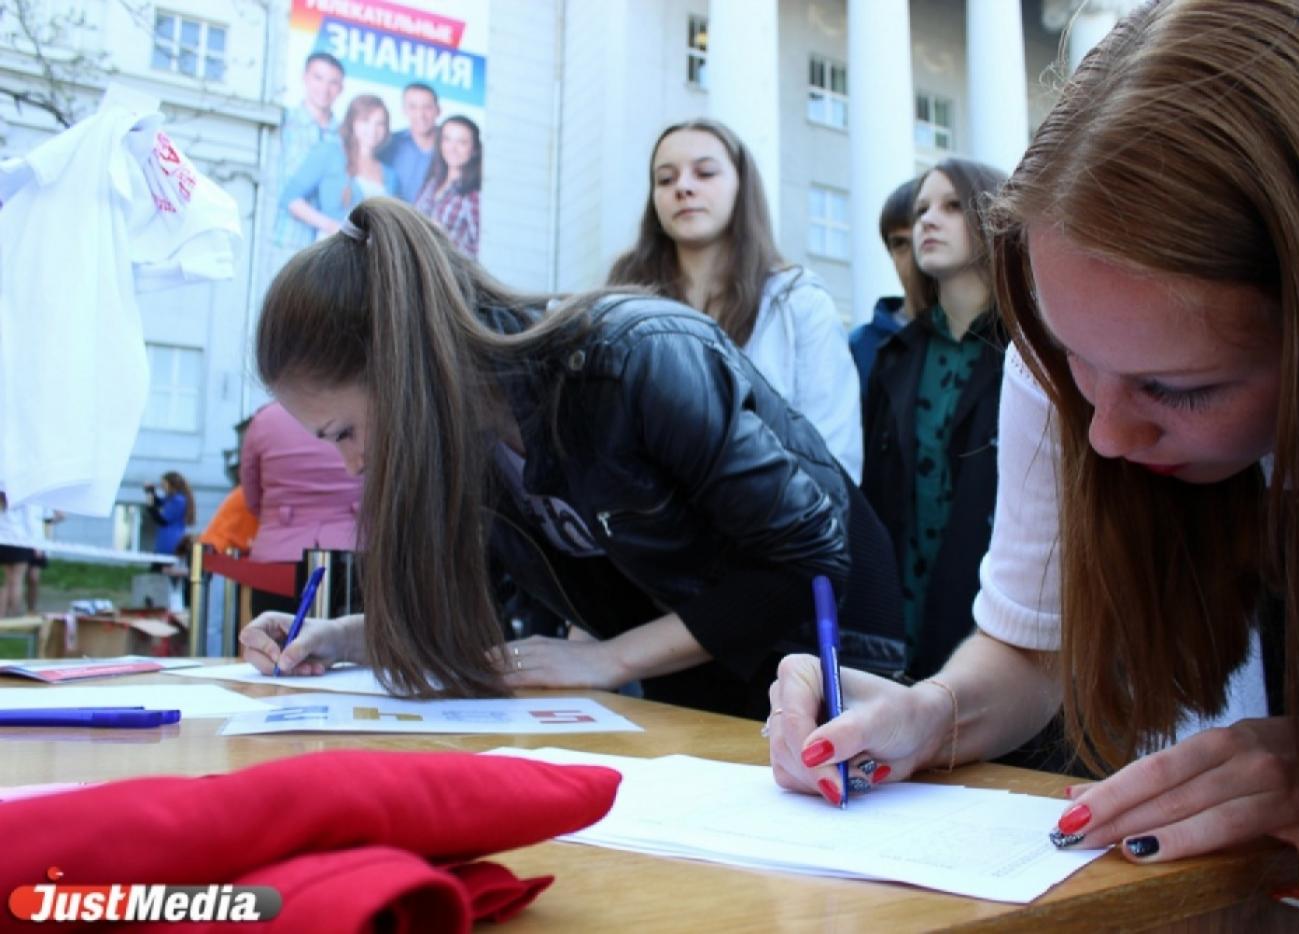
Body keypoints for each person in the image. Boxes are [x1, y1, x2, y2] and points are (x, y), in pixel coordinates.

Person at [765, 1, 1299, 928]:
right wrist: (932, 714)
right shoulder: (1071, 344)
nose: (1102, 437)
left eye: (1175, 390)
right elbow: (1033, 643)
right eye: (1069, 362)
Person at [240, 197, 903, 719]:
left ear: (402, 366)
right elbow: (485, 618)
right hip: (714, 681)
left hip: (841, 659)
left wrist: (608, 660)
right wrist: (334, 637)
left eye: (343, 432)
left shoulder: (633, 358)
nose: (355, 466)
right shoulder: (476, 448)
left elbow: (809, 559)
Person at [607, 119, 863, 480]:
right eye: (665, 179)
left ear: (742, 186)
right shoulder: (622, 303)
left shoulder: (799, 303)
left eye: (705, 173)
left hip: (775, 529)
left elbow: (835, 461)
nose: (683, 187)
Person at [861, 159, 1007, 682]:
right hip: (899, 620)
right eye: (922, 209)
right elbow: (874, 500)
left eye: (951, 206)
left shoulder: (1033, 353)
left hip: (995, 624)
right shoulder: (893, 357)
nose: (927, 220)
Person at [240, 401, 364, 617]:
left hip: (278, 555)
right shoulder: (358, 409)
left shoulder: (265, 419)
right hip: (354, 548)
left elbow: (251, 497)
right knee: (352, 645)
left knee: (275, 643)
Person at [847, 178, 933, 398]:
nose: (916, 254)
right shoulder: (859, 347)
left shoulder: (993, 343)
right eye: (901, 243)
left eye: (927, 239)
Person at [279, 94, 399, 239]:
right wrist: (332, 226)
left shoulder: (391, 175)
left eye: (380, 123)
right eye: (365, 121)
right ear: (352, 122)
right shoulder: (330, 153)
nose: (373, 129)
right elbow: (290, 198)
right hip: (333, 249)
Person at [272, 52, 345, 250]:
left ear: (341, 88)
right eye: (318, 78)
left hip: (326, 247)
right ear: (305, 78)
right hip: (283, 238)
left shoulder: (345, 137)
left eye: (333, 82)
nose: (324, 88)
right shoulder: (283, 123)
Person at [413, 115, 482, 257]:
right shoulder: (432, 184)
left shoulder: (473, 197)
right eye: (447, 139)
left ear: (474, 150)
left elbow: (481, 251)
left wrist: (446, 239)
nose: (452, 148)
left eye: (462, 142)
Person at [378, 83, 441, 203]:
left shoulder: (452, 149)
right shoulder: (388, 143)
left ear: (438, 110)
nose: (420, 115)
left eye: (427, 107)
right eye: (413, 107)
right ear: (404, 110)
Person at [144, 471, 194, 557]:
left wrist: (150, 508)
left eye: (164, 484)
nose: (162, 487)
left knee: (159, 569)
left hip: (170, 543)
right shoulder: (171, 498)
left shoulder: (178, 500)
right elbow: (157, 502)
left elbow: (162, 520)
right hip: (165, 541)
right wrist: (150, 491)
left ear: (172, 485)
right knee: (156, 569)